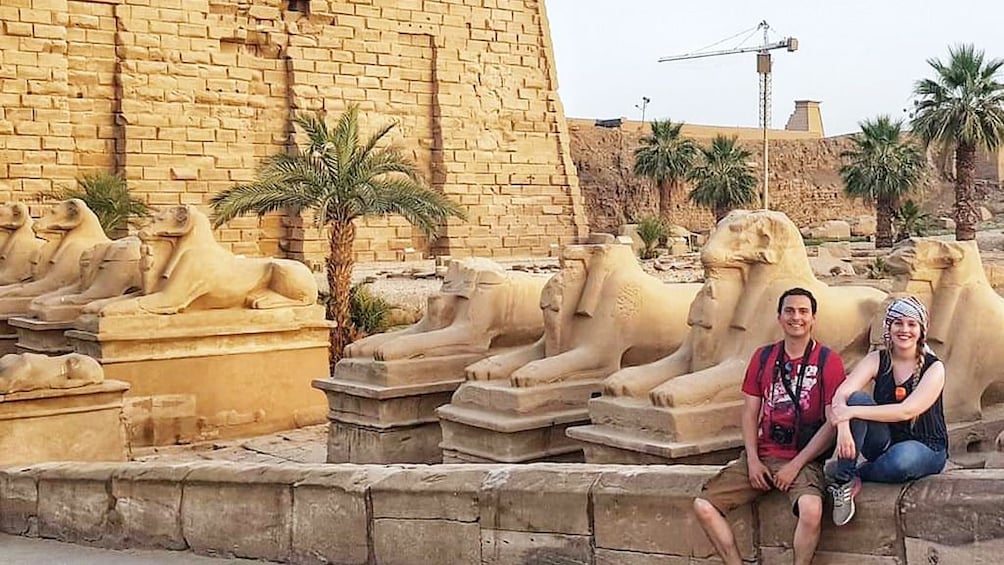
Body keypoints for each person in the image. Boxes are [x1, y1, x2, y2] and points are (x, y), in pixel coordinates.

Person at [693, 287, 846, 565]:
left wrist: (795, 465)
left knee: (811, 510)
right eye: (789, 311)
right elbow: (750, 412)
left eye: (803, 312)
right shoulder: (763, 358)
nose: (796, 317)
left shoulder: (828, 361)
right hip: (764, 453)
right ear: (779, 317)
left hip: (804, 456)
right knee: (703, 505)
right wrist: (752, 460)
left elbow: (831, 423)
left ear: (813, 318)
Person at [827, 296, 947, 526]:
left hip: (926, 447)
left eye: (911, 324)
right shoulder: (877, 359)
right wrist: (843, 425)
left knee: (901, 461)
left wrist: (852, 413)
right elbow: (841, 395)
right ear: (888, 327)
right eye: (898, 323)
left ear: (921, 330)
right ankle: (844, 479)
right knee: (857, 398)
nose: (904, 330)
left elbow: (906, 411)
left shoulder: (934, 367)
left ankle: (860, 473)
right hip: (884, 443)